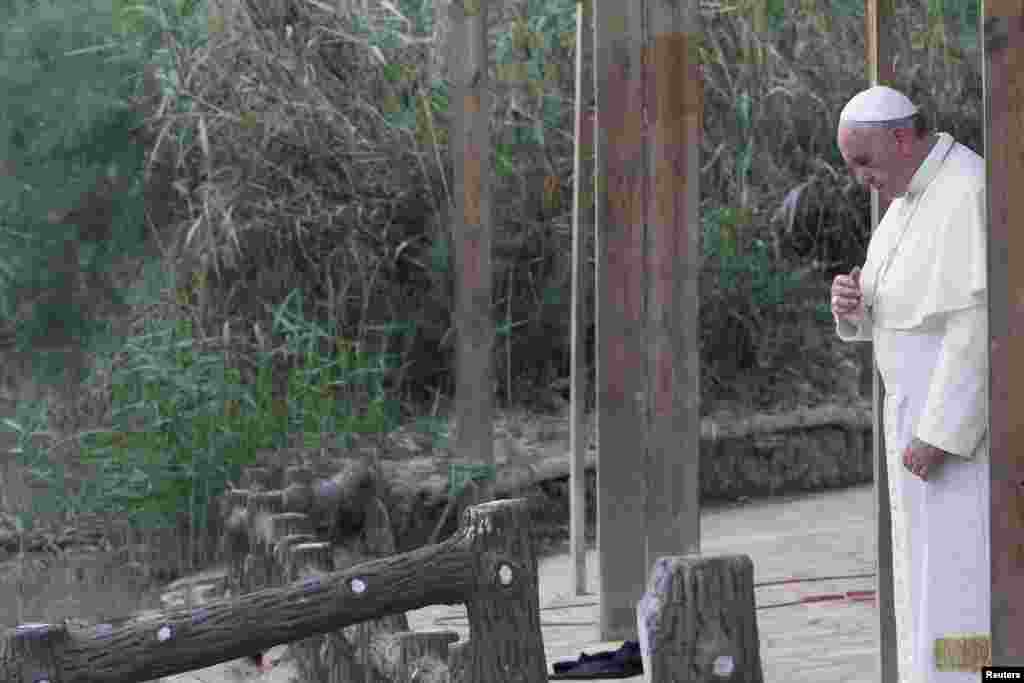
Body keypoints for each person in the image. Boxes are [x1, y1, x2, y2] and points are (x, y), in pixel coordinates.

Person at [830, 85, 990, 681]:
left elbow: (977, 321)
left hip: (958, 437)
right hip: (916, 421)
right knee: (928, 575)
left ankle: (974, 677)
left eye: (863, 162)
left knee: (961, 576)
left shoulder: (967, 188)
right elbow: (894, 309)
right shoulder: (906, 198)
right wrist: (851, 303)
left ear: (902, 138)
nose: (860, 179)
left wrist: (941, 432)